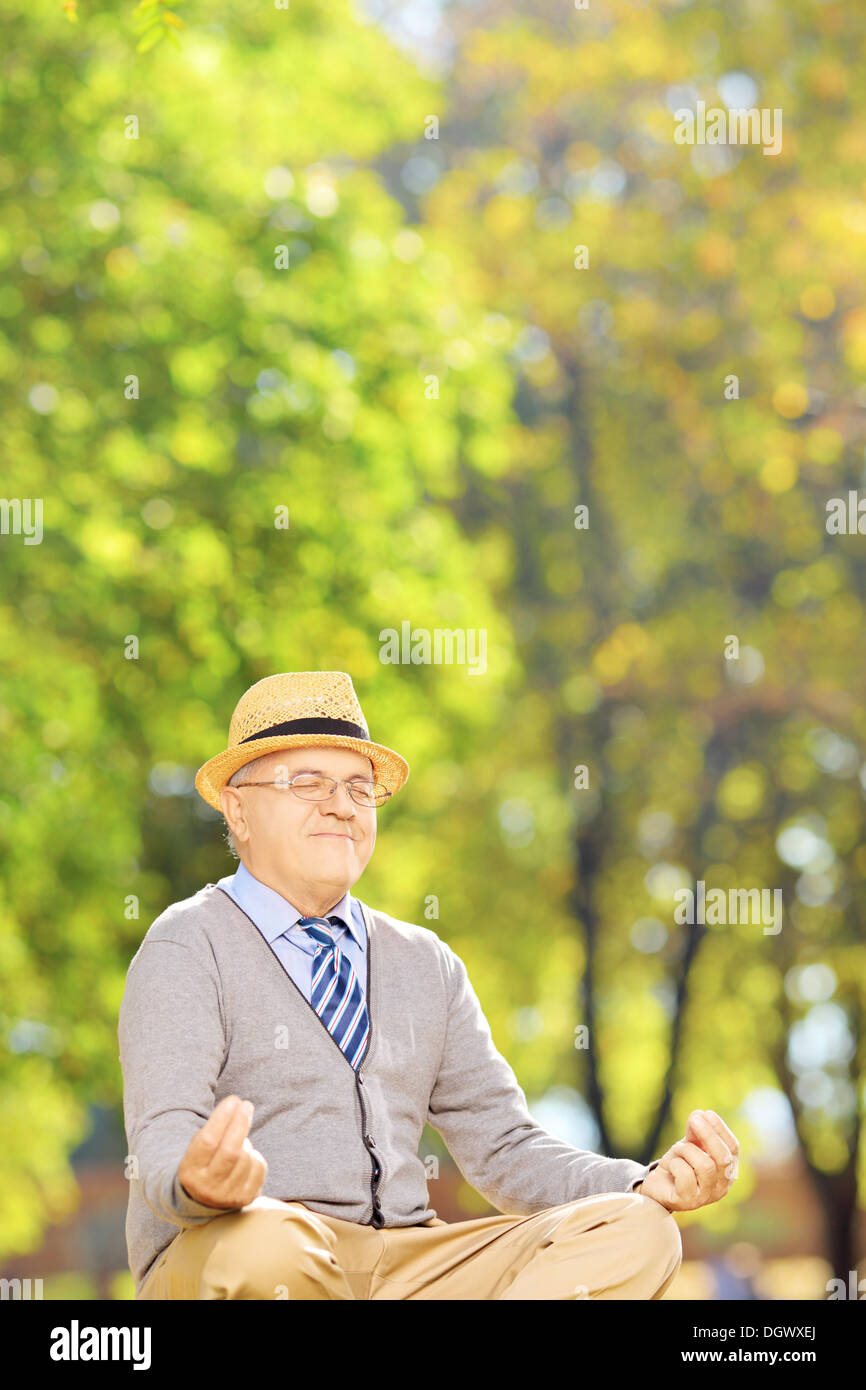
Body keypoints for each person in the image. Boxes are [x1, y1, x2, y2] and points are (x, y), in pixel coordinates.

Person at [119, 670, 738, 1300]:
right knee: (270, 1250)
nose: (341, 805)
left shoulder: (425, 962)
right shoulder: (188, 944)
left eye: (359, 789)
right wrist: (197, 1181)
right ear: (238, 807)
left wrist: (642, 1183)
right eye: (308, 783)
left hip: (409, 1263)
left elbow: (506, 1148)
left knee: (639, 1232)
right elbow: (165, 1130)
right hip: (237, 1248)